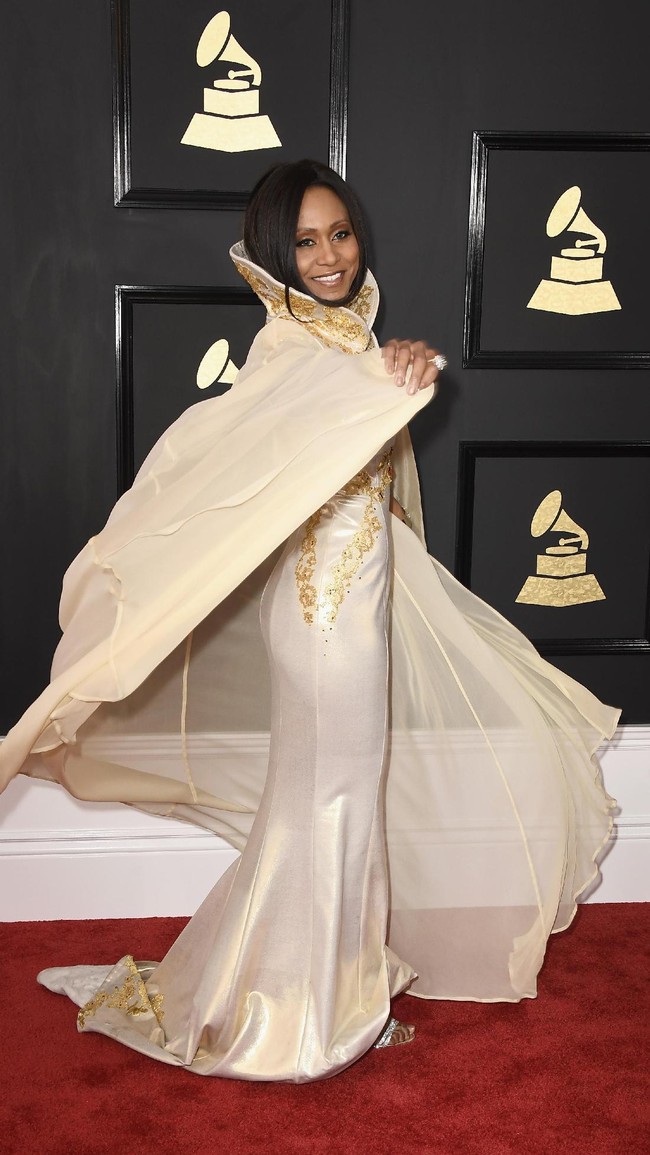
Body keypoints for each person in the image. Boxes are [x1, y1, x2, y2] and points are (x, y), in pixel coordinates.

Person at [0, 160, 619, 1083]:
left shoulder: (343, 346)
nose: (329, 256)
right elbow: (259, 457)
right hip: (324, 625)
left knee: (336, 805)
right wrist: (382, 377)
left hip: (355, 613)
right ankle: (292, 1016)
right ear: (271, 256)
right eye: (306, 241)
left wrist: (384, 372)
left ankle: (333, 989)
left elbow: (385, 489)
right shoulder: (292, 354)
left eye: (341, 234)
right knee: (327, 806)